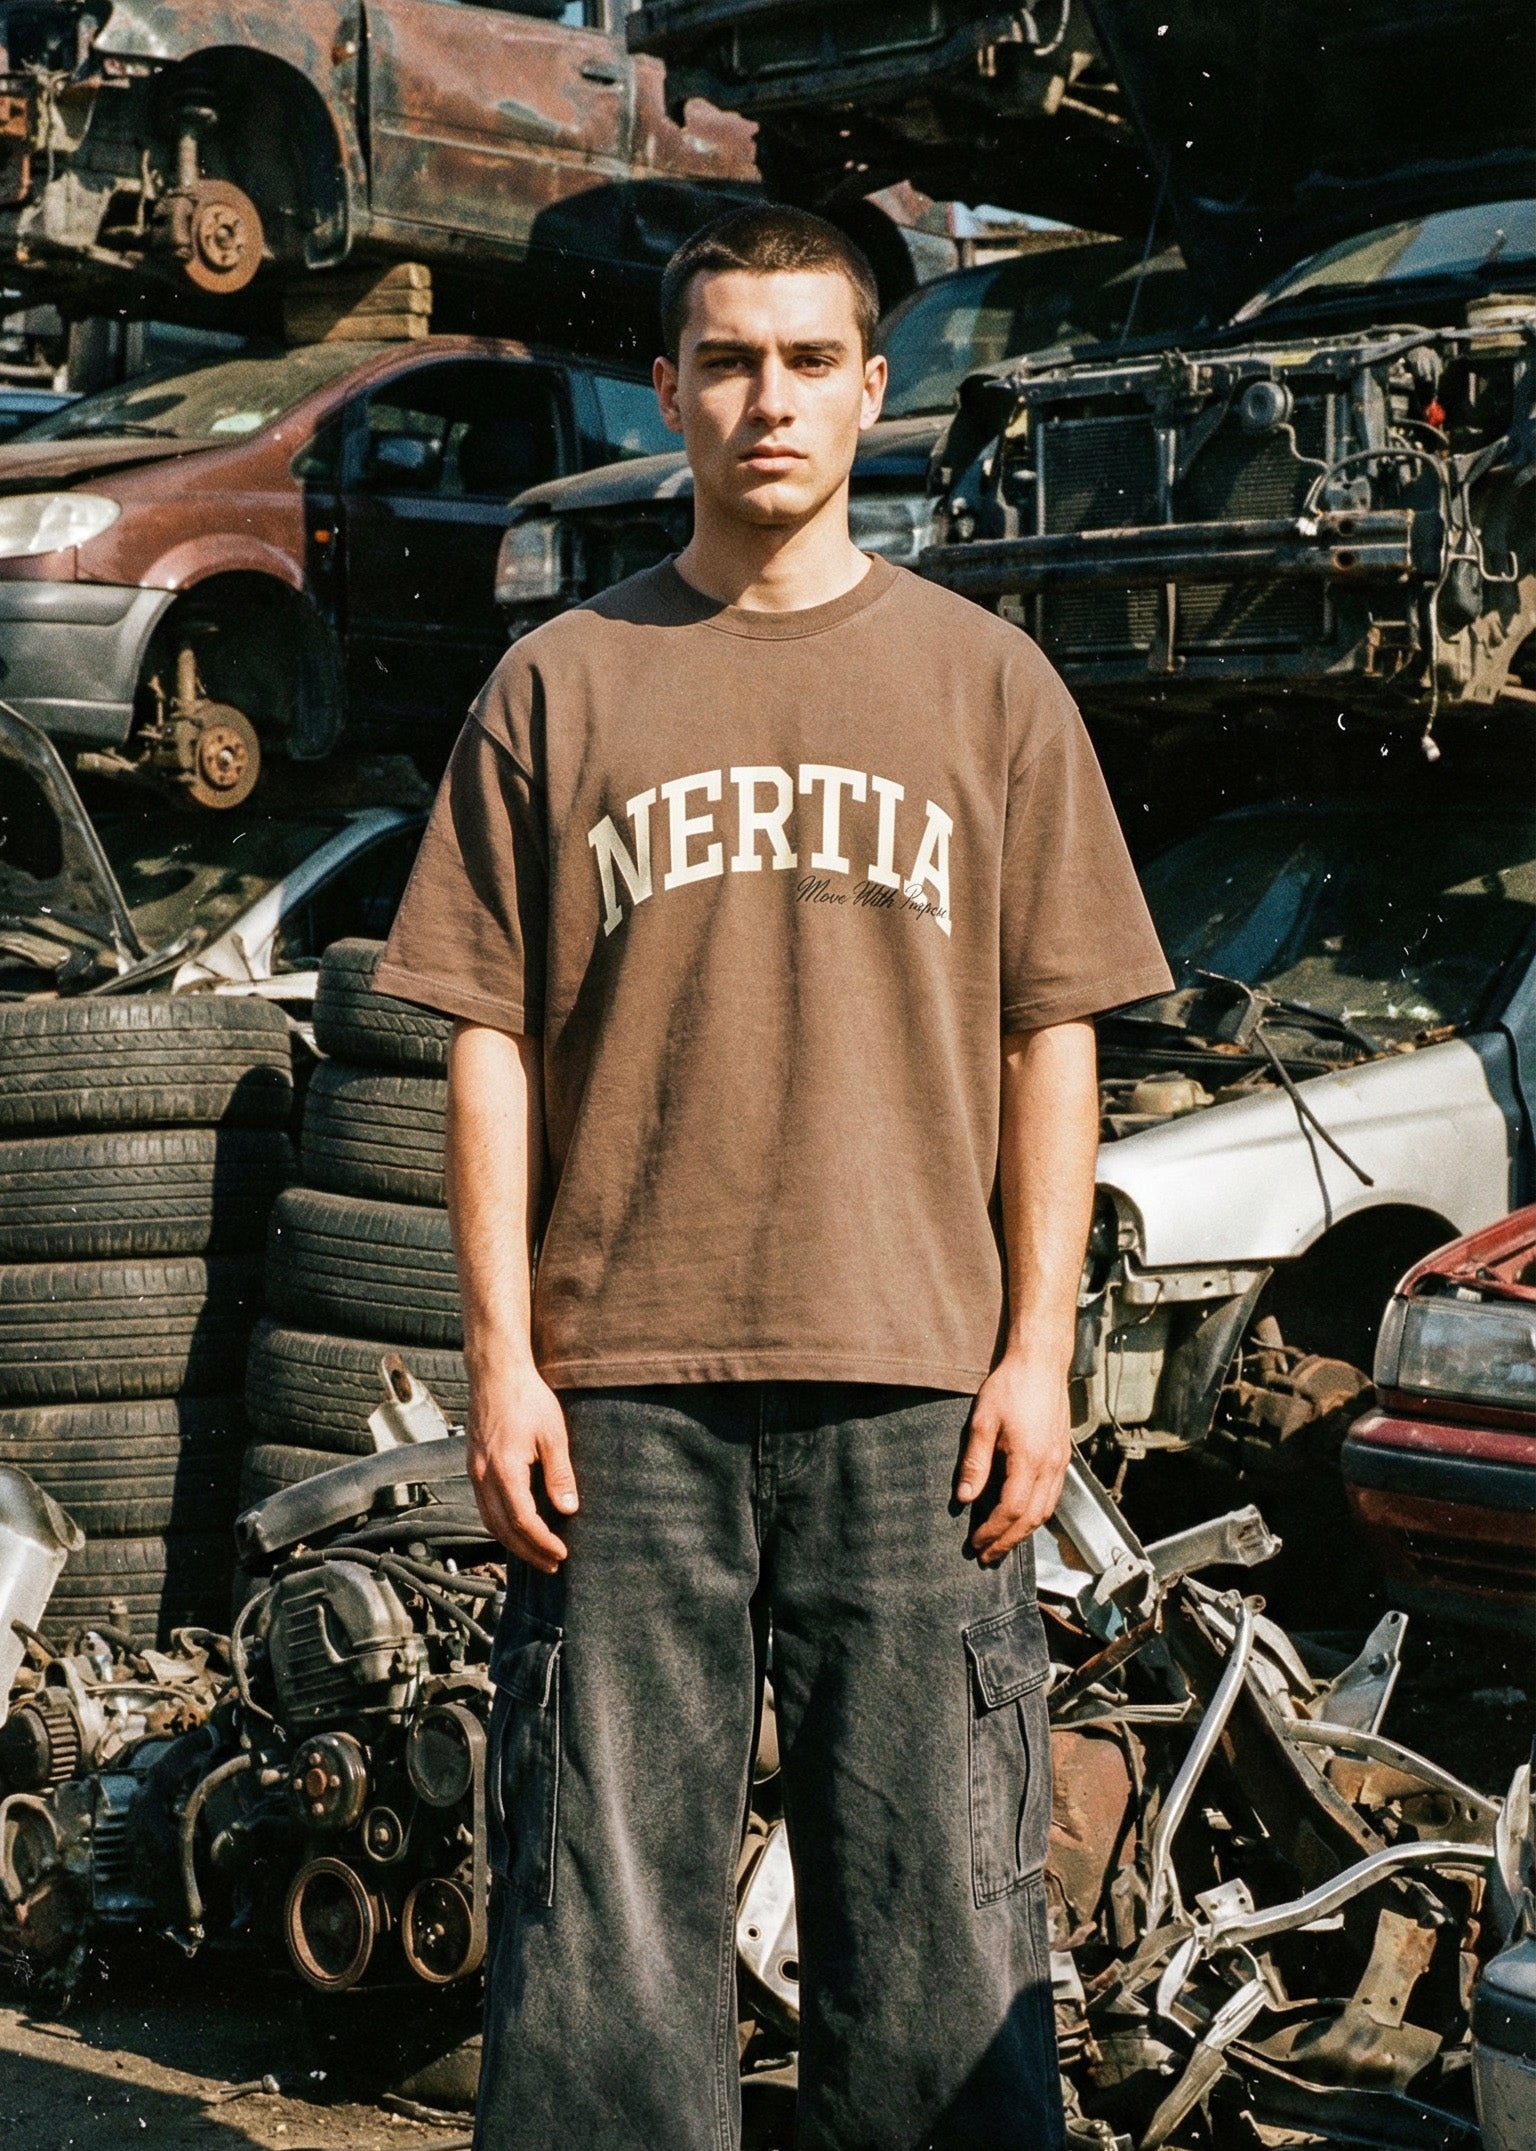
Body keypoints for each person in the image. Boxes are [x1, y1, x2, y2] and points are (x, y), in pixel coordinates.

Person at [374, 205, 1171, 2151]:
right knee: (603, 1933)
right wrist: (500, 1360)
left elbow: (1049, 1031)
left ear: (871, 386)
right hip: (621, 1392)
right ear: (668, 387)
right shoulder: (559, 686)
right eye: (728, 357)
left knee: (928, 1921)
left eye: (810, 358)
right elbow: (487, 1035)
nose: (768, 397)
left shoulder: (987, 687)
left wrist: (1036, 1351)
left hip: (915, 1389)